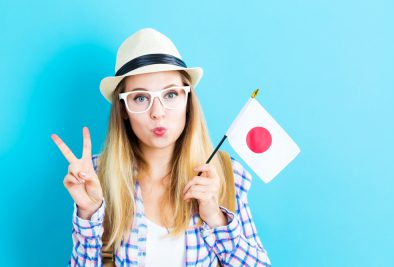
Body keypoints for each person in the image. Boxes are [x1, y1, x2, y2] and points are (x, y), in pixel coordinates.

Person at [51, 28, 272, 267]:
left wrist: (216, 218)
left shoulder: (225, 172)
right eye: (140, 98)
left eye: (170, 94)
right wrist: (89, 214)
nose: (157, 113)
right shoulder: (96, 175)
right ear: (123, 110)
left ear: (188, 101)